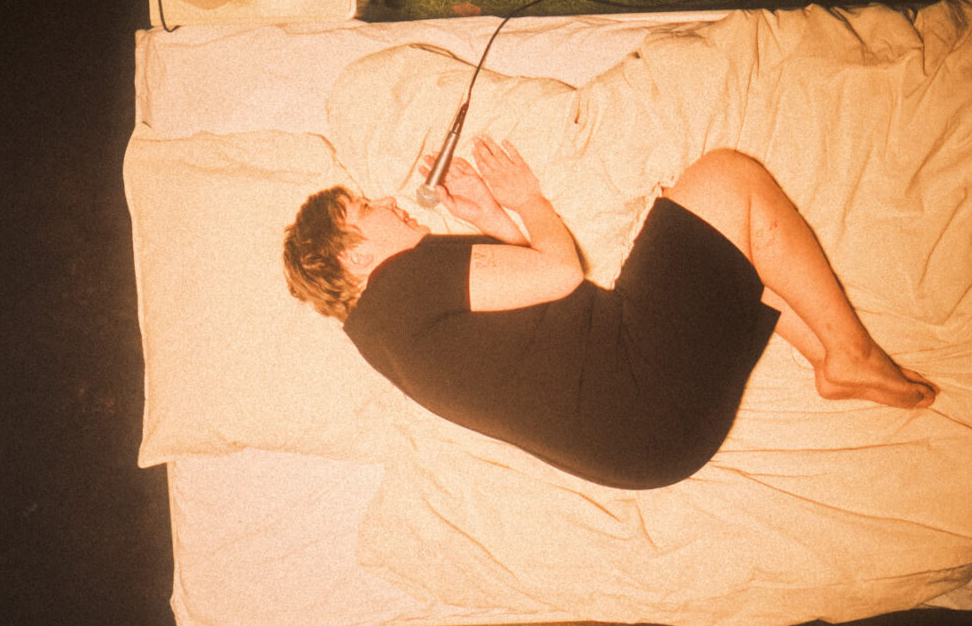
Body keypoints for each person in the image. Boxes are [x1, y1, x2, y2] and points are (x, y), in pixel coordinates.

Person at [282, 136, 935, 491]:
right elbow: (563, 273)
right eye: (365, 210)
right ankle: (852, 354)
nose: (389, 203)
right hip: (639, 388)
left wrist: (489, 217)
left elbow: (531, 304)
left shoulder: (384, 332)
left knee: (719, 239)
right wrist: (528, 200)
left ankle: (828, 360)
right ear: (354, 256)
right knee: (726, 177)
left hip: (645, 444)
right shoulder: (402, 284)